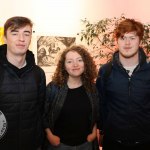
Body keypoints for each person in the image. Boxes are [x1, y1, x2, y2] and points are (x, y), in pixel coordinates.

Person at [96, 18, 150, 150]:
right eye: (122, 38)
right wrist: (102, 128)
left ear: (140, 41)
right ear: (116, 41)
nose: (127, 43)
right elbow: (101, 104)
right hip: (113, 142)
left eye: (132, 38)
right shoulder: (105, 71)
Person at [0, 16, 46, 150]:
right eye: (15, 33)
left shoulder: (38, 73)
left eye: (26, 33)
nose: (21, 39)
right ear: (5, 38)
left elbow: (41, 111)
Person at [44, 45, 99, 150]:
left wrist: (93, 133)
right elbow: (43, 114)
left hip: (85, 144)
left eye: (79, 60)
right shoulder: (53, 88)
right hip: (60, 145)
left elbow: (96, 113)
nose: (75, 65)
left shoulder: (92, 88)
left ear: (85, 63)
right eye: (69, 61)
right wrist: (49, 135)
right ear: (64, 66)